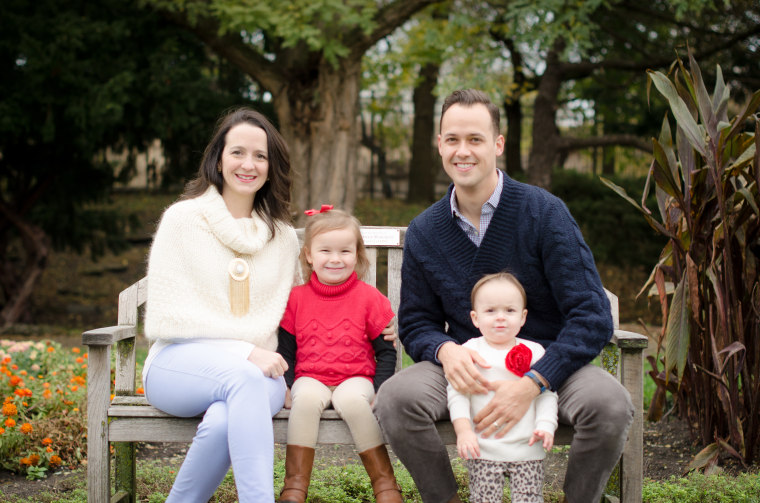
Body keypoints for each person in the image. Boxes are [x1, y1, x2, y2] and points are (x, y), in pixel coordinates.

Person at [374, 89, 634, 503]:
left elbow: (592, 316)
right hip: (470, 368)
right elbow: (416, 322)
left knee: (610, 405)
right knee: (395, 399)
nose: (463, 151)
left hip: (551, 367)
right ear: (439, 144)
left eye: (475, 139)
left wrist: (534, 380)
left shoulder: (543, 213)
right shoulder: (425, 229)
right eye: (453, 139)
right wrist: (445, 350)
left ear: (498, 144)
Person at [142, 107, 300, 503]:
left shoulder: (282, 237)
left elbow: (299, 312)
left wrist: (376, 324)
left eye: (260, 156)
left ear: (271, 166)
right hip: (178, 364)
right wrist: (244, 351)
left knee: (225, 418)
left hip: (260, 375)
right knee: (243, 378)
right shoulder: (183, 220)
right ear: (218, 158)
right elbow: (169, 316)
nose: (249, 164)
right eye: (238, 152)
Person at [276, 207, 403, 503]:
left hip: (356, 378)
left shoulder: (370, 298)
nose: (335, 259)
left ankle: (385, 485)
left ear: (358, 255)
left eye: (345, 251)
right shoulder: (296, 299)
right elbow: (287, 350)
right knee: (304, 399)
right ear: (309, 255)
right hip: (311, 377)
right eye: (325, 251)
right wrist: (287, 384)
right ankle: (294, 486)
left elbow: (386, 352)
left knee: (352, 401)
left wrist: (380, 389)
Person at [448, 272, 558, 503]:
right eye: (490, 311)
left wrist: (546, 425)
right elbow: (458, 394)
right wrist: (464, 430)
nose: (500, 318)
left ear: (523, 317)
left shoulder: (535, 351)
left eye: (509, 311)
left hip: (527, 448)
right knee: (484, 499)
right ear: (475, 318)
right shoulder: (469, 350)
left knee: (529, 499)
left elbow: (547, 394)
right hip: (484, 449)